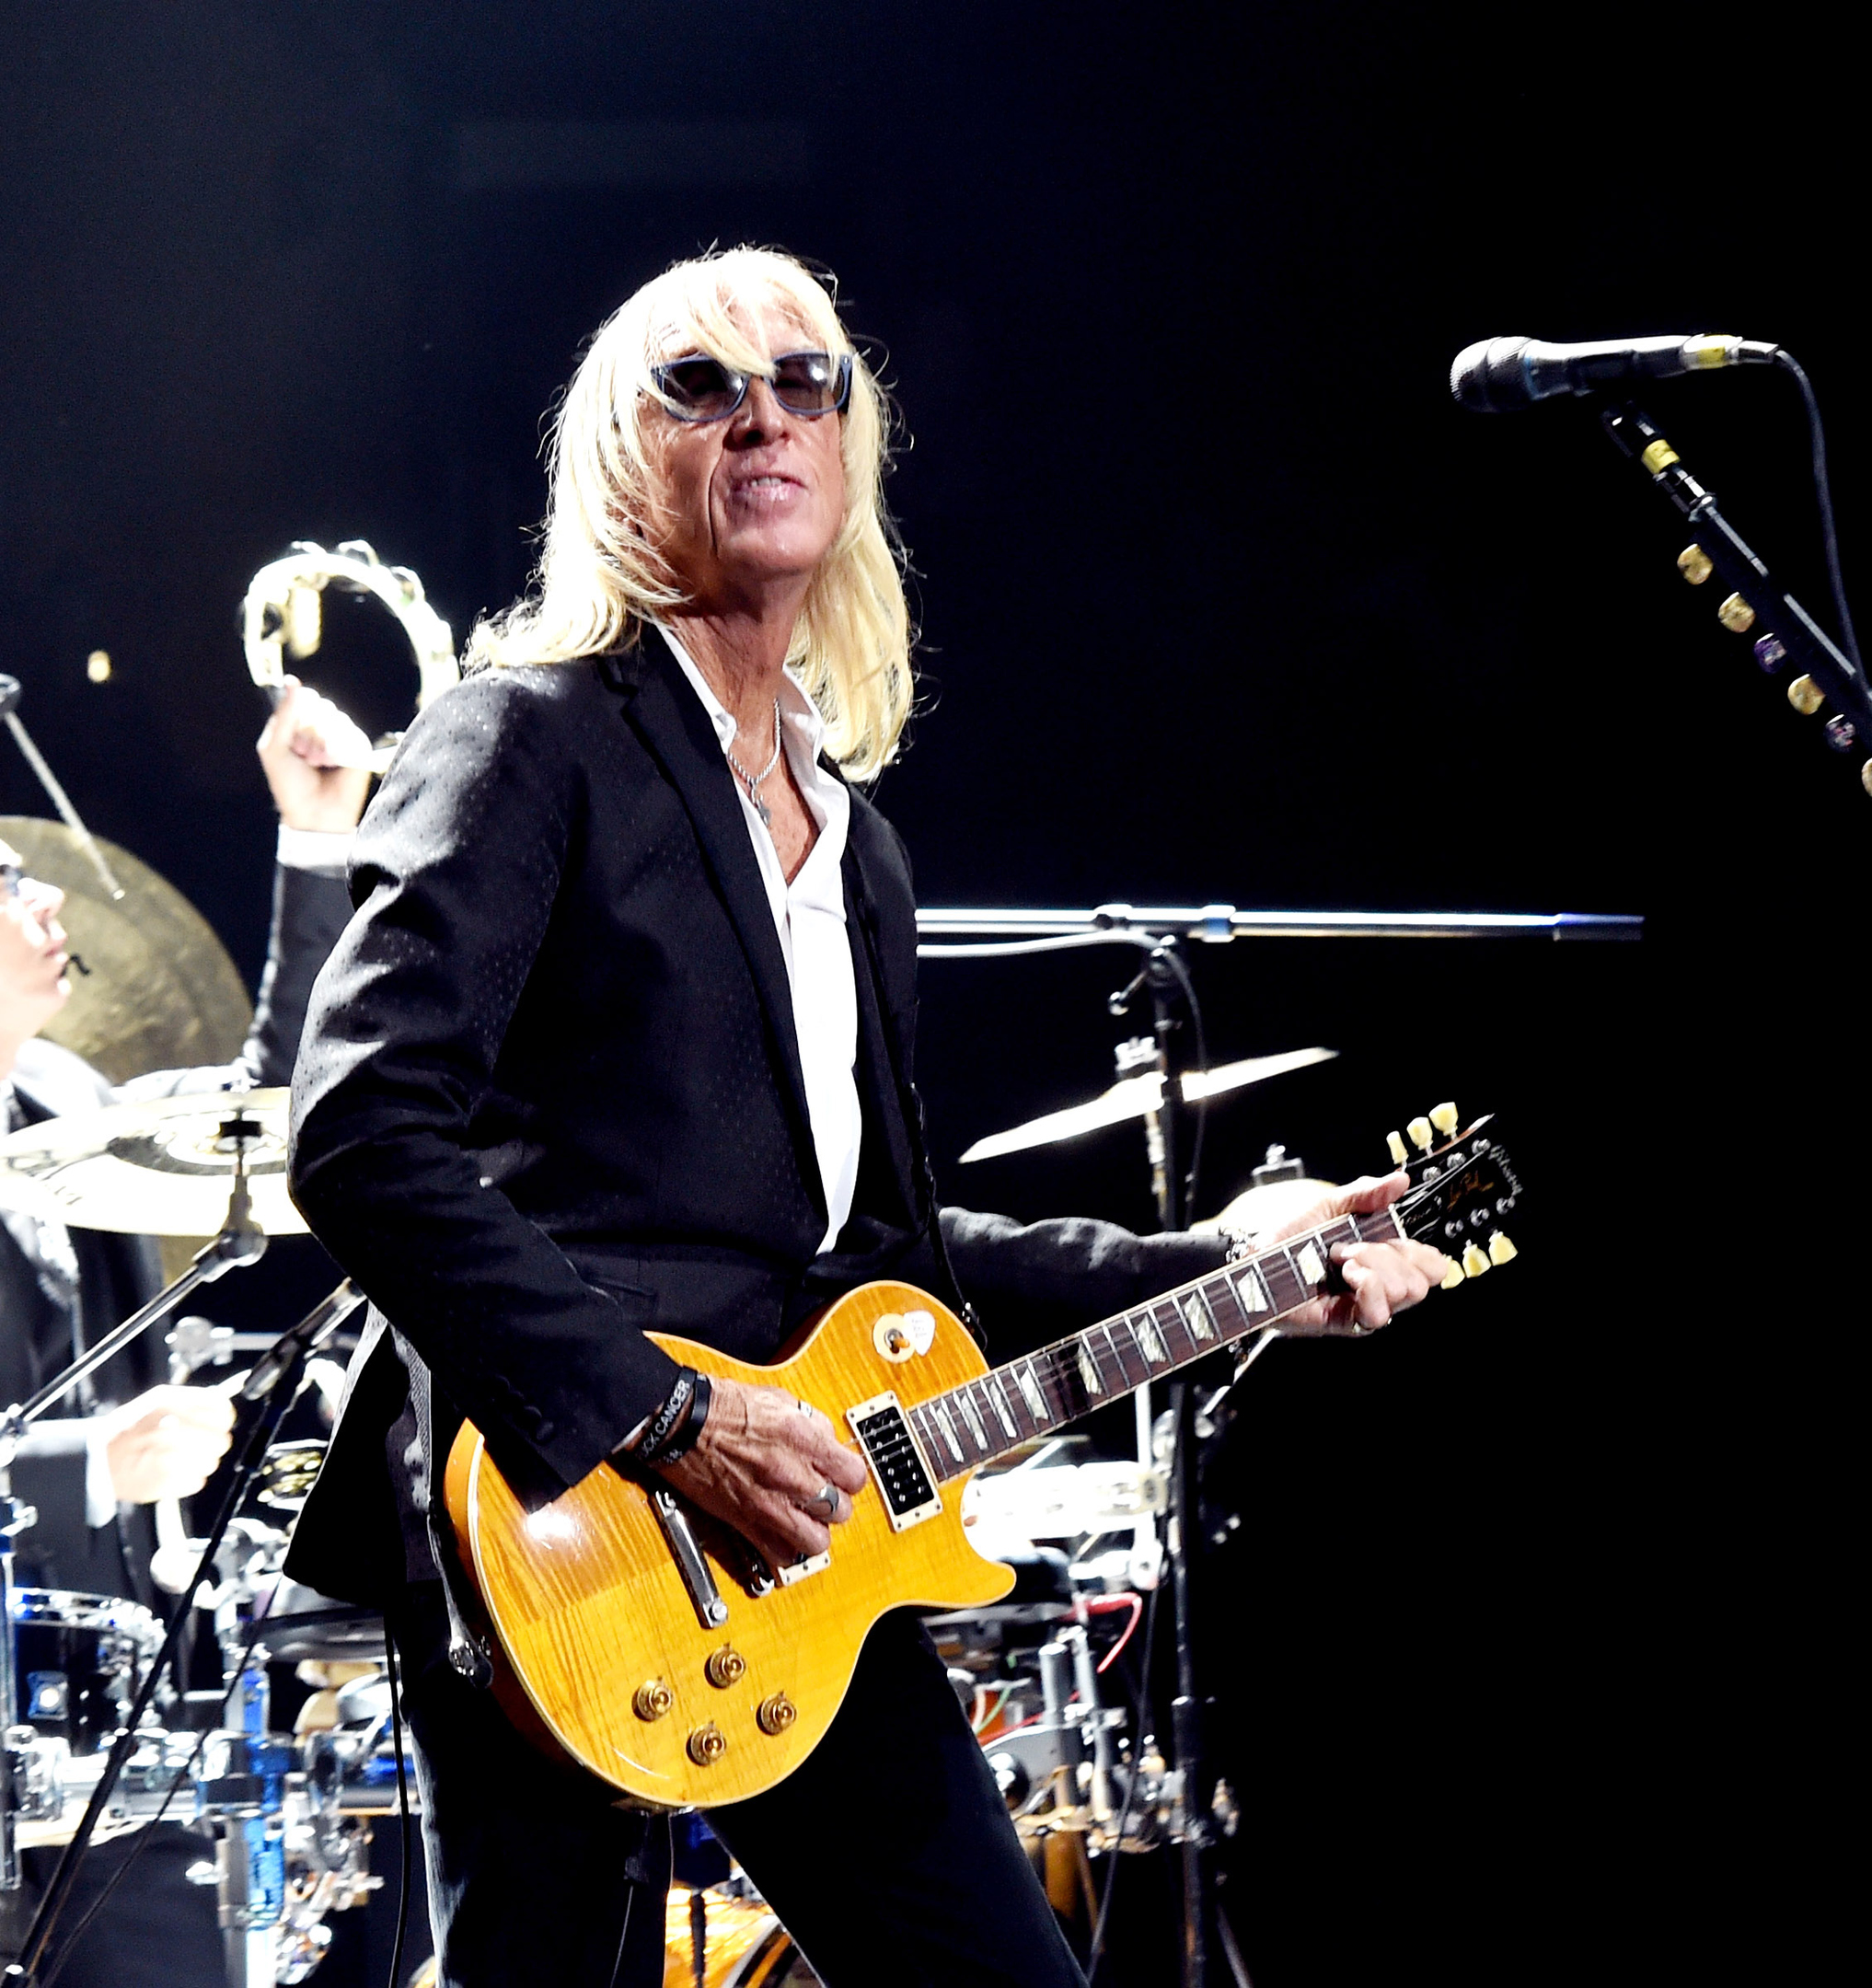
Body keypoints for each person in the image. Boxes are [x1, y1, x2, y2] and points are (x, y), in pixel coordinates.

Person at [283, 247, 1448, 1988]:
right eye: (699, 383)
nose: (763, 409)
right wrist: (670, 1422)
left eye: (807, 378)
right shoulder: (526, 738)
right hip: (554, 1515)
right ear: (623, 456)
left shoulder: (858, 841)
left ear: (851, 446)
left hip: (802, 1541)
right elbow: (362, 1138)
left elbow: (892, 1256)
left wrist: (1232, 1264)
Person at [0, 677, 371, 1981]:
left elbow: (272, 1107)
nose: (45, 896)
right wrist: (96, 1465)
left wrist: (316, 835)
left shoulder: (56, 1094)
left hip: (111, 1726)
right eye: (4, 881)